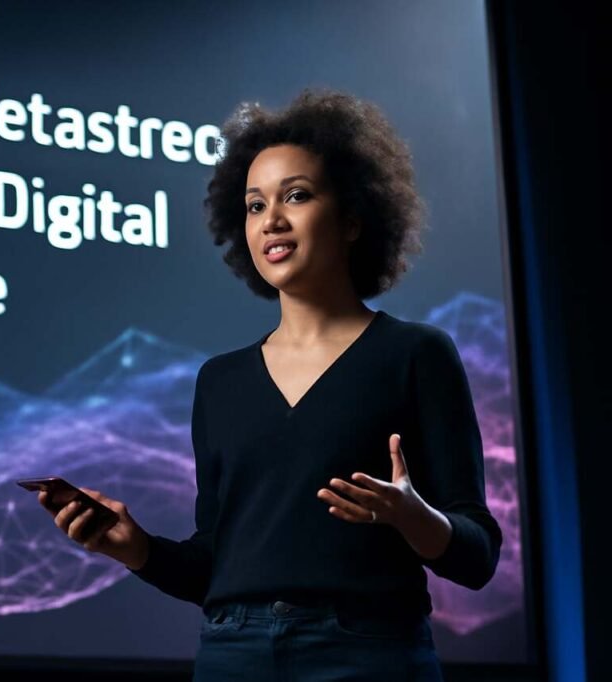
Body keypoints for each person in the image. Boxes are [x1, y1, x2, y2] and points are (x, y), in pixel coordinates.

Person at [37, 87, 503, 681]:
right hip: (234, 656)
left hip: (369, 653)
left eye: (297, 196)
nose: (272, 221)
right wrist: (139, 550)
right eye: (255, 206)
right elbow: (214, 566)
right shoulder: (220, 382)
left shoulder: (416, 354)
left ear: (355, 217)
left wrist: (415, 518)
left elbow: (478, 556)